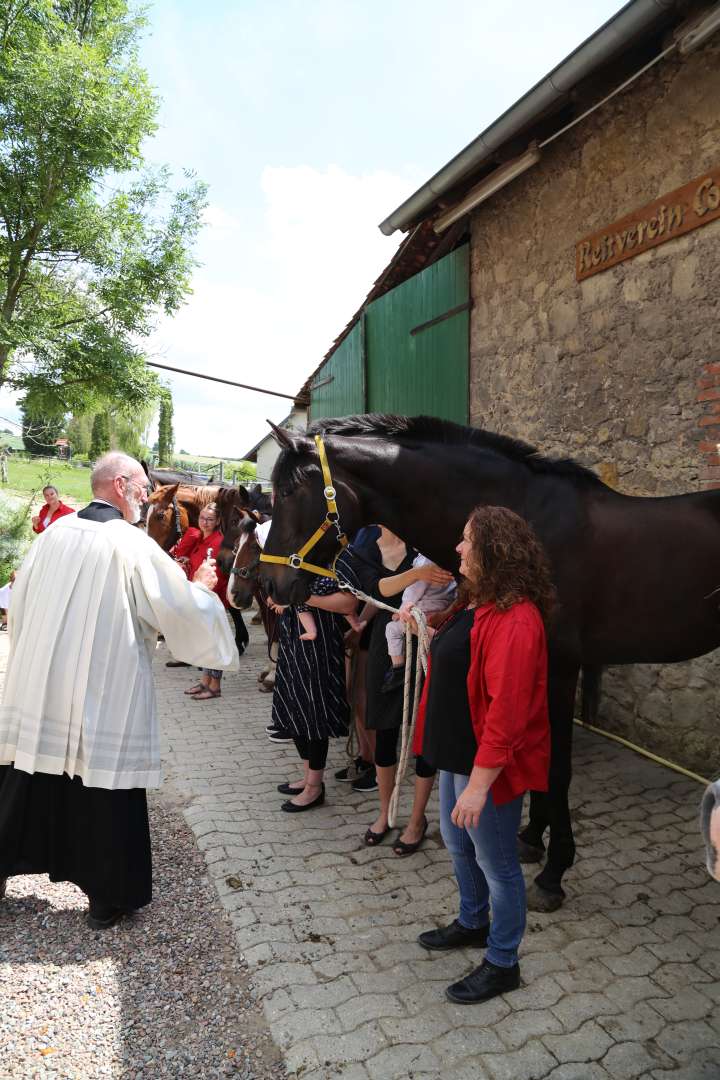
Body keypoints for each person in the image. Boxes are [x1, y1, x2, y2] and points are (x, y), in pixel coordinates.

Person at [0, 452, 238, 930]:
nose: (148, 494)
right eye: (144, 485)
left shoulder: (53, 537)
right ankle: (108, 897)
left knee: (25, 776)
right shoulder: (129, 543)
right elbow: (175, 607)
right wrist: (203, 588)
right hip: (102, 689)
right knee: (105, 785)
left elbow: (19, 603)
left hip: (44, 683)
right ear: (121, 483)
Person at [413, 505, 552, 1004]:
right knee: (456, 842)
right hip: (458, 750)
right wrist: (427, 624)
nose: (458, 548)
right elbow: (461, 652)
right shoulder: (480, 602)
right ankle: (473, 922)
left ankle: (502, 961)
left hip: (487, 764)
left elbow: (509, 713)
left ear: (494, 549)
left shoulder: (517, 618)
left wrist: (479, 785)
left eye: (467, 540)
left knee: (499, 865)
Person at [354, 526, 454, 853]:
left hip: (428, 635)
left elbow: (457, 586)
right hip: (390, 636)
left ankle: (416, 819)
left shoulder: (423, 533)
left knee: (425, 732)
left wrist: (439, 617)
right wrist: (418, 573)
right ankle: (385, 813)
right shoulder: (365, 541)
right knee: (385, 729)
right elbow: (377, 588)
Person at [268, 548, 362, 812]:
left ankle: (314, 787)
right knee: (294, 708)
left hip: (319, 645)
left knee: (314, 712)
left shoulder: (339, 556)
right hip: (292, 640)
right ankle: (308, 775)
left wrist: (303, 598)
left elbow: (349, 603)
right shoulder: (292, 550)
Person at [171, 502, 244, 700]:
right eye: (202, 518)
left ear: (218, 521)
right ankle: (205, 682)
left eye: (210, 519)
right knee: (205, 643)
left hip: (211, 599)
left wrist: (207, 595)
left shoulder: (219, 542)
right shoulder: (200, 539)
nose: (205, 522)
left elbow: (220, 575)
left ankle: (215, 686)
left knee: (214, 644)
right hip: (199, 597)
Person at [383, 552, 456, 693]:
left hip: (422, 610)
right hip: (443, 608)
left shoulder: (425, 561)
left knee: (391, 628)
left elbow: (414, 590)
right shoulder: (450, 560)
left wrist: (401, 610)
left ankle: (398, 669)